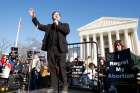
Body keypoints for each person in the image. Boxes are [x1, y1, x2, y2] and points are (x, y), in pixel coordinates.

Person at [29, 8, 70, 93]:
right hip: (51, 50)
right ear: (52, 17)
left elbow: (67, 31)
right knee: (52, 69)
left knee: (61, 68)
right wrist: (33, 17)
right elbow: (39, 26)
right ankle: (53, 87)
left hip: (61, 50)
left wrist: (58, 24)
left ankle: (65, 85)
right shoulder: (48, 27)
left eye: (57, 14)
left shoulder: (65, 25)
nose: (56, 15)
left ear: (59, 17)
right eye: (54, 15)